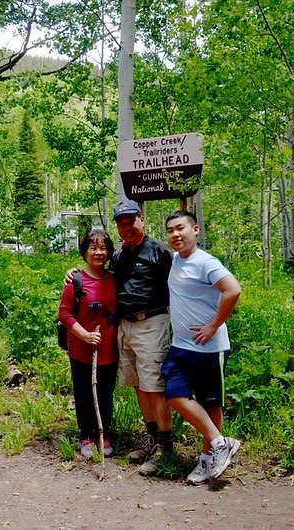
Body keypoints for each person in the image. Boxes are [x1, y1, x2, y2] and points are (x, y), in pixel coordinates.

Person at [65, 199, 173, 476]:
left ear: (142, 219)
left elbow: (180, 284)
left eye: (131, 221)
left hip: (151, 322)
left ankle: (164, 447)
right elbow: (90, 285)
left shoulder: (160, 252)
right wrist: (73, 272)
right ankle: (150, 441)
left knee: (154, 385)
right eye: (121, 223)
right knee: (139, 385)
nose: (126, 227)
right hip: (125, 328)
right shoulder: (121, 256)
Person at [161, 210, 242, 485]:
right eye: (170, 230)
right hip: (181, 346)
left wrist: (213, 326)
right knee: (174, 394)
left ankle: (208, 458)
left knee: (211, 402)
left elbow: (232, 290)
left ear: (195, 229)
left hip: (210, 348)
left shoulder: (206, 262)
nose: (175, 234)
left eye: (180, 228)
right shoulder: (174, 260)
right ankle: (221, 443)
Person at [58, 228, 119, 458]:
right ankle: (86, 434)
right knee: (83, 393)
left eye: (103, 248)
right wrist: (84, 335)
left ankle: (104, 433)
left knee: (106, 393)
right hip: (82, 349)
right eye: (93, 248)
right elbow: (64, 314)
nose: (98, 252)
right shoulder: (76, 280)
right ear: (84, 252)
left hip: (109, 349)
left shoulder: (115, 279)